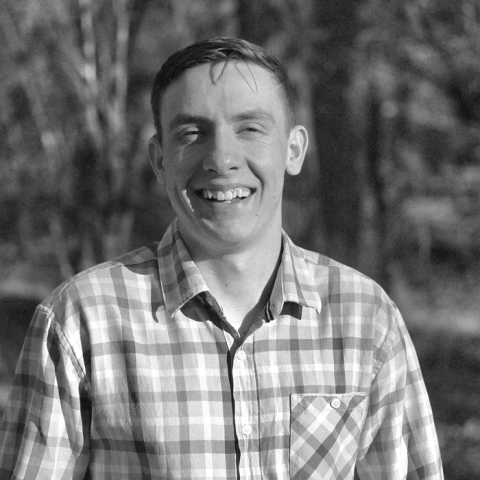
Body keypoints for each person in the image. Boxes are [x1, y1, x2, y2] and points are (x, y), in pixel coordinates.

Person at [0, 37, 443, 479]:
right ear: (159, 160)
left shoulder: (366, 320)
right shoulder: (81, 322)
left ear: (293, 150)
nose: (221, 159)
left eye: (249, 128)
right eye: (192, 133)